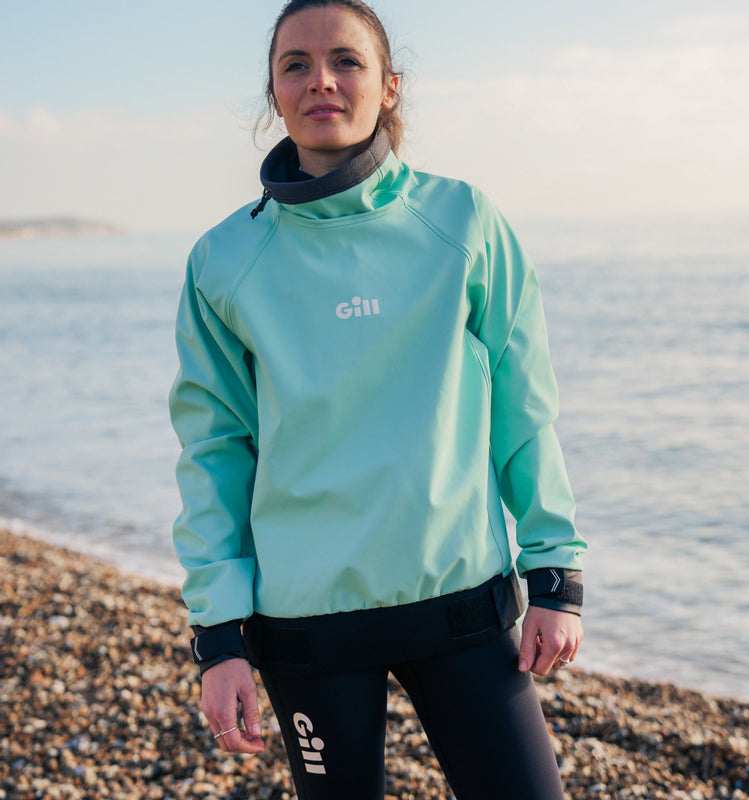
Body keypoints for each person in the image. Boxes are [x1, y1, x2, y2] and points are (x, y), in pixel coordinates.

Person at [169, 1, 587, 798]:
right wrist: (217, 638)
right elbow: (215, 452)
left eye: (347, 61)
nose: (321, 80)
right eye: (295, 64)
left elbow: (523, 411)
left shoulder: (463, 222)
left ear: (389, 86)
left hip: (462, 609)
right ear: (273, 91)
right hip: (305, 630)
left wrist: (554, 570)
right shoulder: (224, 260)